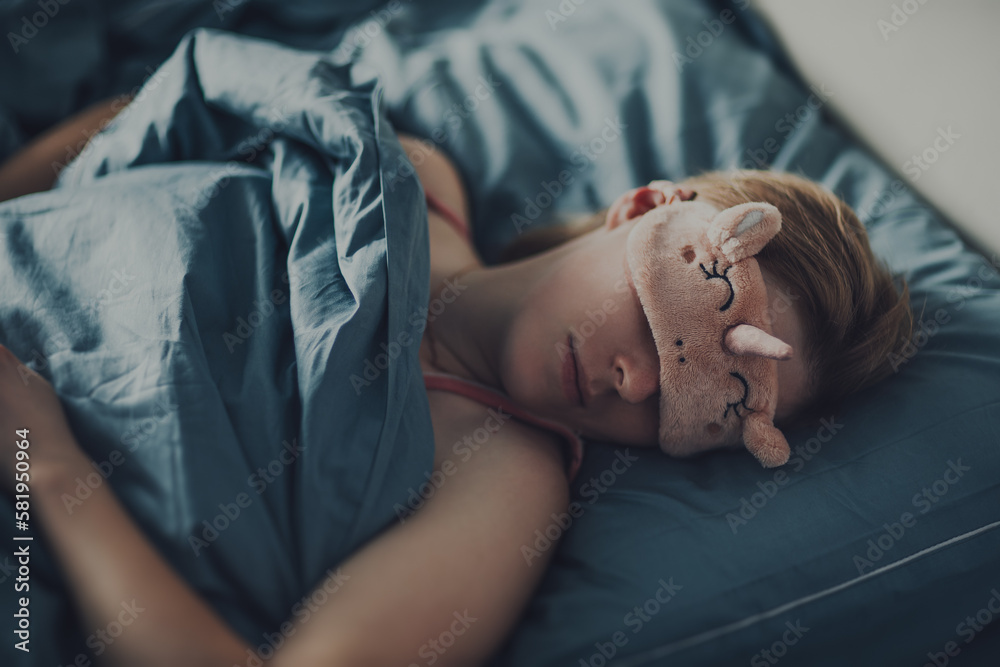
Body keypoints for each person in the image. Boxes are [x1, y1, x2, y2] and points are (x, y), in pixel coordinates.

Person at [0, 98, 912, 665]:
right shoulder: (406, 175)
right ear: (643, 209)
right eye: (656, 320)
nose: (636, 382)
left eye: (698, 408)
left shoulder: (502, 485)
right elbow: (149, 116)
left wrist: (46, 467)